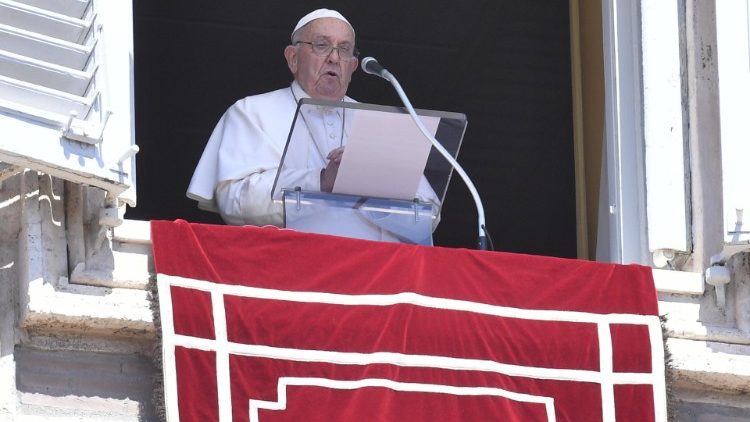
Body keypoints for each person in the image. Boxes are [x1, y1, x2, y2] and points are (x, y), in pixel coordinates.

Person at [187, 8, 439, 243]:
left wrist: (376, 185)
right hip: (287, 269)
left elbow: (429, 215)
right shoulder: (252, 112)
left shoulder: (380, 125)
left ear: (352, 67)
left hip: (372, 274)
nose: (333, 58)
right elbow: (235, 201)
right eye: (321, 45)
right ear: (293, 58)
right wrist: (321, 181)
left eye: (344, 49)